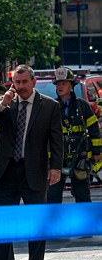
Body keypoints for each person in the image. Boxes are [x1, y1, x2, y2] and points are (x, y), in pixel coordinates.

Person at [0, 64, 63, 260]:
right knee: (2, 218)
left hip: (34, 170)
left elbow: (56, 139)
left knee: (35, 219)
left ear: (33, 82)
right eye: (17, 82)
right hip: (6, 170)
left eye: (25, 82)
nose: (20, 86)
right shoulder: (5, 102)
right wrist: (3, 104)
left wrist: (56, 167)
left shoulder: (49, 106)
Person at [47, 66, 100, 204]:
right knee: (52, 196)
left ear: (71, 85)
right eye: (58, 84)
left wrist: (96, 152)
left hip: (79, 156)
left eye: (63, 83)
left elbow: (94, 129)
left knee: (82, 195)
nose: (60, 86)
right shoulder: (51, 106)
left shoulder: (82, 106)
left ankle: (84, 218)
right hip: (57, 158)